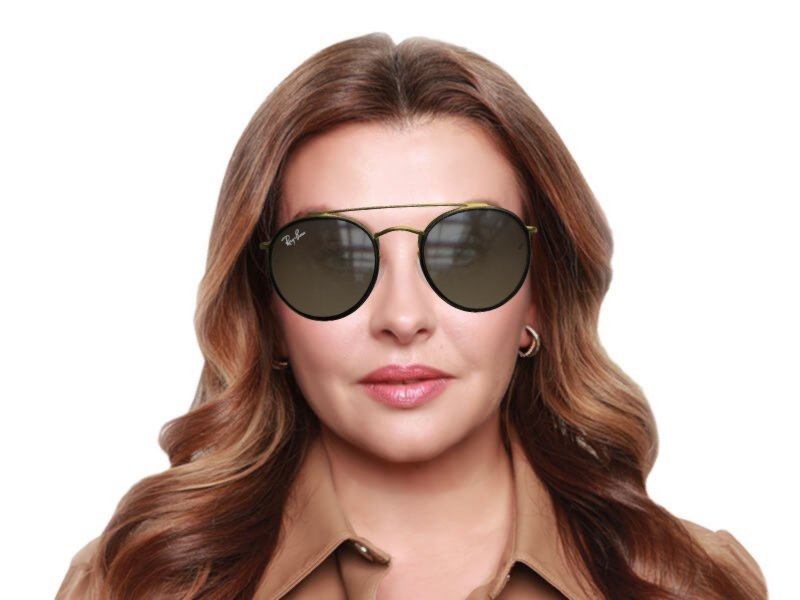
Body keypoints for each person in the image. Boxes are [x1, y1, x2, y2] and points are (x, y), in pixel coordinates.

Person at [56, 32, 767, 599]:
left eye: (469, 251)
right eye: (331, 258)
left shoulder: (689, 584)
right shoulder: (138, 583)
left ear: (540, 296)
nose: (402, 317)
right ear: (265, 310)